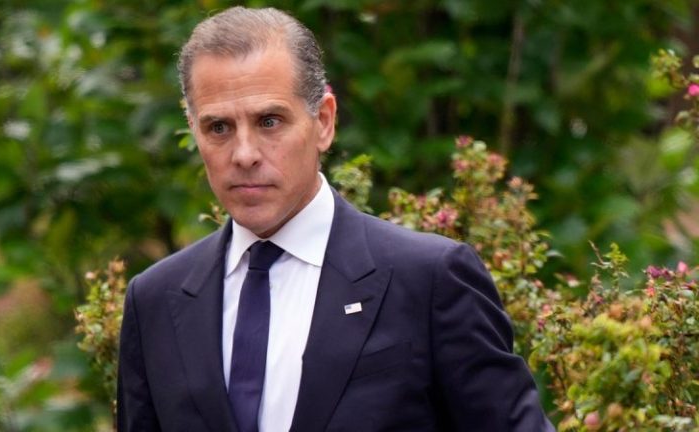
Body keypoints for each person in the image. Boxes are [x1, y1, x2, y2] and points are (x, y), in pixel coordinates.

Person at [117, 6, 554, 432]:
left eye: (269, 121)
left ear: (323, 122)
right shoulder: (154, 301)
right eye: (219, 128)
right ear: (194, 129)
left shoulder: (428, 281)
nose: (244, 154)